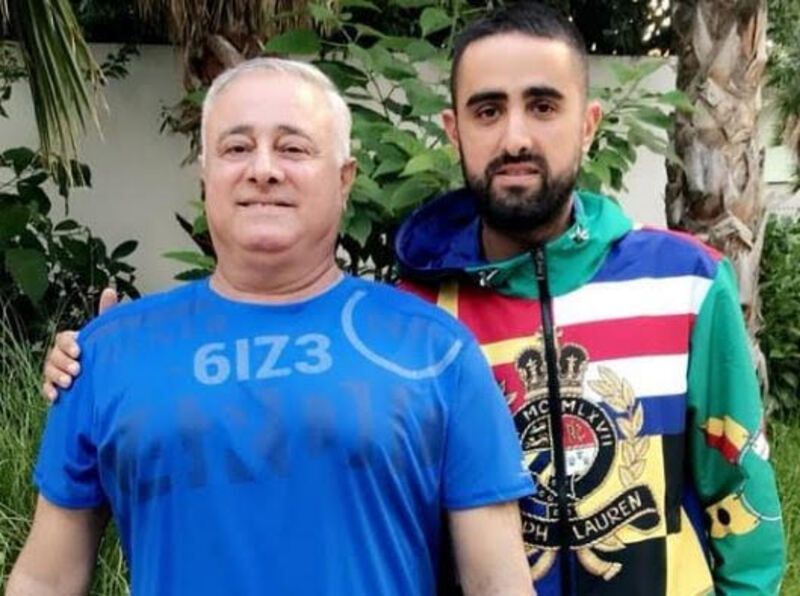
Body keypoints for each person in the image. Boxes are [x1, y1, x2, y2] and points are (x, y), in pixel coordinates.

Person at [42, 3, 788, 595]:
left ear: (588, 124)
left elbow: (741, 499)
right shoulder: (415, 318)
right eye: (488, 111)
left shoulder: (682, 283)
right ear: (452, 130)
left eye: (543, 106)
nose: (515, 136)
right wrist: (105, 362)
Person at [9, 58, 536, 596]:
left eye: (293, 148)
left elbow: (497, 583)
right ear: (205, 175)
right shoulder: (106, 353)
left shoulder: (435, 350)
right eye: (237, 148)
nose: (263, 169)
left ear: (344, 179)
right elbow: (46, 579)